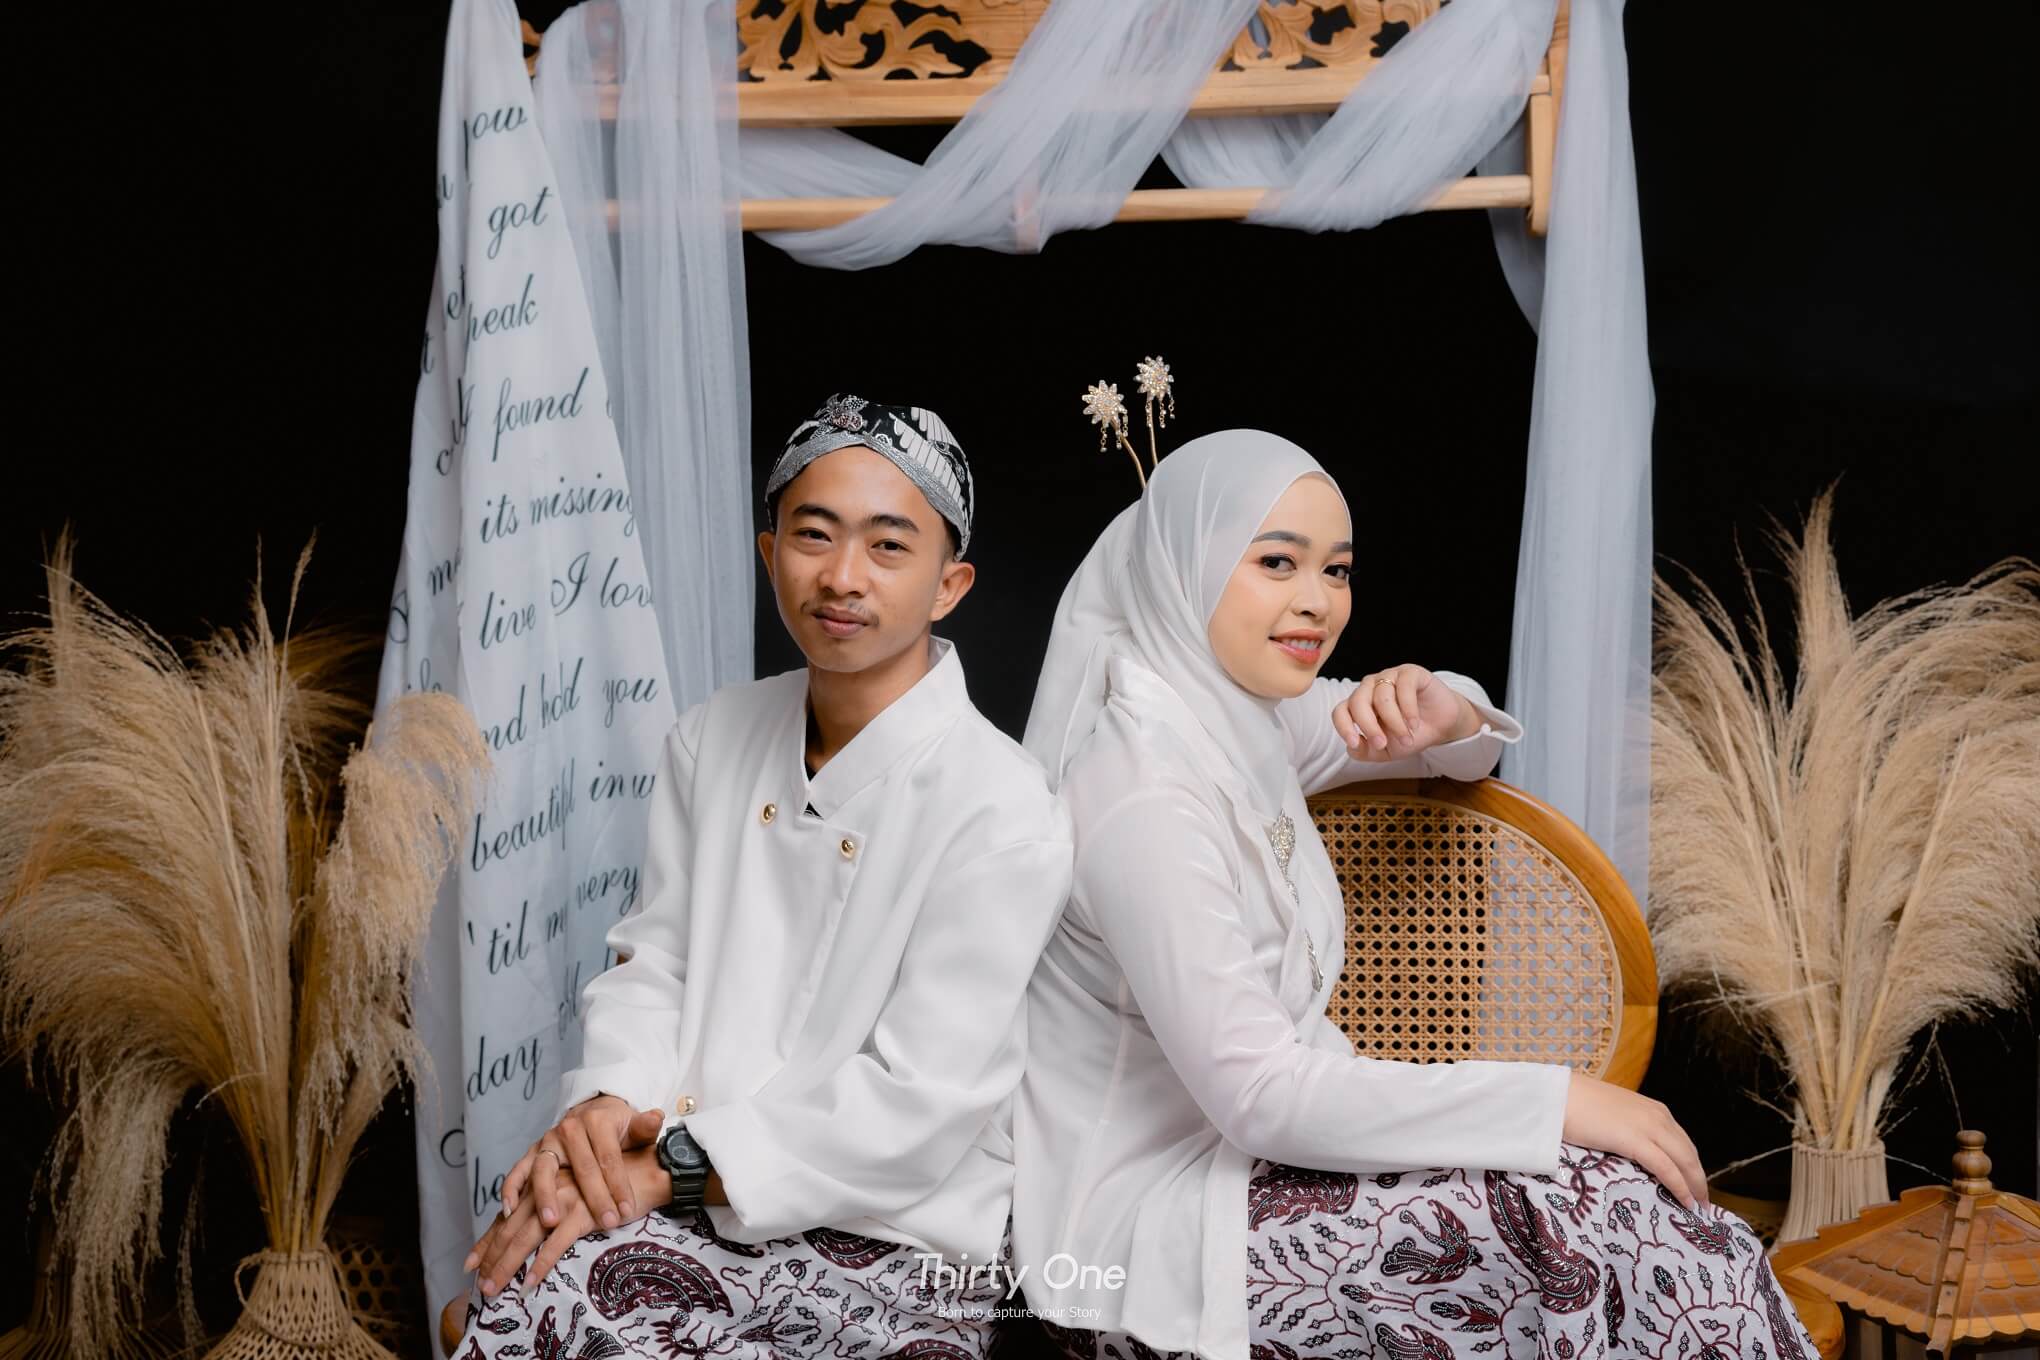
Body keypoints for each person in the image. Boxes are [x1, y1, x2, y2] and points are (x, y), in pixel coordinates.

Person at [1012, 430, 1816, 1360]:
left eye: (1337, 570)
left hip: (1264, 1169)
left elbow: (1442, 741)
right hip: (1156, 1233)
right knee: (1588, 1223)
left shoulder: (1238, 719)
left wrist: (1450, 706)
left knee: (1624, 1211)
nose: (1317, 601)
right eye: (1276, 562)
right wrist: (1554, 1100)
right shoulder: (1140, 792)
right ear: (1182, 567)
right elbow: (1260, 1095)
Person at [446, 396, 1072, 1359]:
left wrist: (674, 1169)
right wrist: (605, 1114)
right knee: (514, 1281)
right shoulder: (713, 736)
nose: (843, 576)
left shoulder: (1004, 805)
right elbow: (656, 966)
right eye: (813, 535)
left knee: (542, 1308)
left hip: (896, 1239)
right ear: (768, 552)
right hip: (683, 1180)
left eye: (888, 546)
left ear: (950, 585)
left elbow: (920, 1101)